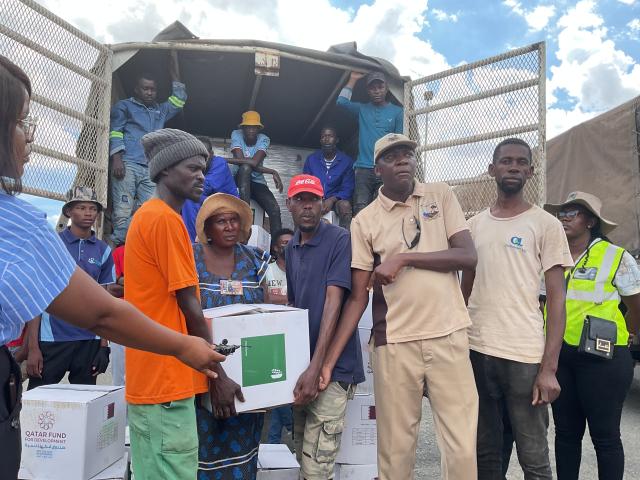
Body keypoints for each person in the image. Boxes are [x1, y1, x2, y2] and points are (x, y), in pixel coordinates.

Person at [0, 55, 223, 479]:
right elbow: (118, 310)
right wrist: (204, 359)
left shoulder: (141, 221)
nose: (29, 138)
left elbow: (109, 296)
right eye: (21, 121)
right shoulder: (163, 221)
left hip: (146, 375)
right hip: (166, 378)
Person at [320, 133, 478, 480]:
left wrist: (404, 258)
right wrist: (328, 360)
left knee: (462, 446)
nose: (403, 160)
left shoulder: (440, 194)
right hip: (395, 343)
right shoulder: (365, 220)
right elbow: (359, 295)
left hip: (448, 335)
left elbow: (468, 256)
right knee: (395, 448)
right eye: (392, 157)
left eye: (407, 153)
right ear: (378, 169)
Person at [460, 138, 573, 480]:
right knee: (485, 454)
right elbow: (463, 291)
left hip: (523, 355)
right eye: (505, 161)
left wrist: (549, 369)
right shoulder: (474, 226)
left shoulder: (545, 225)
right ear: (491, 169)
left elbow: (556, 299)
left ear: (530, 171)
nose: (513, 166)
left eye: (521, 162)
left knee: (533, 456)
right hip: (476, 350)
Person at [124, 128, 223, 480]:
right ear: (165, 170)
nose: (201, 176)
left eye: (203, 169)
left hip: (153, 379)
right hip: (165, 381)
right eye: (192, 168)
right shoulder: (165, 220)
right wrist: (219, 375)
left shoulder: (149, 216)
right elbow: (189, 305)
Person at [543, 191, 640, 480]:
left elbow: (636, 304)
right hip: (560, 356)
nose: (564, 217)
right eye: (561, 213)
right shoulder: (549, 256)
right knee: (566, 434)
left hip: (604, 358)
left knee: (605, 436)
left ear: (590, 221)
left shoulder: (615, 256)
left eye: (573, 213)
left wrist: (630, 335)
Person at [285, 174, 365, 479]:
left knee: (318, 466)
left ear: (323, 205)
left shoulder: (339, 239)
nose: (307, 207)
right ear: (289, 204)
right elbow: (296, 308)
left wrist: (317, 367)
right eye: (301, 200)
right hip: (304, 368)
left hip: (331, 369)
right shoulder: (292, 247)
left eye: (313, 200)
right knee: (303, 454)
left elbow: (334, 301)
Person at [192, 193, 271, 479]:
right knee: (201, 446)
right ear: (208, 228)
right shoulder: (191, 258)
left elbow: (270, 310)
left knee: (243, 447)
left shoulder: (255, 260)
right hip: (201, 371)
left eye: (234, 220)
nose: (229, 227)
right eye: (221, 221)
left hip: (247, 372)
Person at [26, 187, 117, 390]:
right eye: (81, 207)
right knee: (38, 403)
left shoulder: (103, 250)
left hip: (89, 339)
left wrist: (104, 346)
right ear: (68, 212)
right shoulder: (53, 245)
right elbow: (37, 298)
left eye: (92, 208)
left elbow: (106, 300)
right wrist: (33, 347)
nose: (88, 213)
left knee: (85, 405)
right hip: (53, 338)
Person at [108, 50, 186, 245]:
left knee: (147, 211)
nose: (149, 92)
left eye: (152, 89)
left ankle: (134, 247)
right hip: (128, 165)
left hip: (151, 169)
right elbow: (115, 131)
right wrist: (117, 158)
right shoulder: (124, 106)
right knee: (123, 211)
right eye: (145, 89)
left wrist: (174, 67)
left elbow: (179, 98)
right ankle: (116, 254)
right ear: (137, 89)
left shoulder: (160, 111)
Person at [336, 71, 403, 215]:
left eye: (380, 87)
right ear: (368, 90)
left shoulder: (397, 112)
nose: (377, 91)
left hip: (385, 167)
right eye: (373, 88)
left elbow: (399, 142)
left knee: (385, 208)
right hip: (363, 168)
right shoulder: (362, 109)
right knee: (361, 208)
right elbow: (341, 102)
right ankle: (362, 238)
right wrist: (352, 79)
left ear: (386, 88)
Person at [227, 111, 283, 232]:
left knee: (275, 209)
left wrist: (224, 160)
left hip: (257, 181)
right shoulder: (236, 134)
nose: (251, 130)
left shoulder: (264, 139)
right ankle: (245, 216)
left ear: (258, 129)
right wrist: (271, 171)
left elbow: (253, 163)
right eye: (248, 127)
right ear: (242, 128)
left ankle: (277, 247)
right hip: (237, 179)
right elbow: (242, 163)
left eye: (254, 127)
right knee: (245, 168)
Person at [264, 228, 294, 444]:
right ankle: (293, 427)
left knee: (284, 388)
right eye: (283, 242)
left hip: (295, 335)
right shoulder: (267, 270)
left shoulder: (301, 270)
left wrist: (278, 299)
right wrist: (287, 300)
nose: (287, 245)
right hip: (270, 335)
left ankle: (273, 443)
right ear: (275, 247)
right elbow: (263, 300)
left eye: (291, 242)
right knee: (277, 387)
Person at [182, 135, 239, 242]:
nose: (200, 160)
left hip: (227, 205)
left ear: (211, 154)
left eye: (204, 156)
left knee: (190, 199)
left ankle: (192, 244)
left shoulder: (220, 163)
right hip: (210, 203)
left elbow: (204, 187)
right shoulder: (194, 166)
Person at [303, 126, 355, 228]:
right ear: (320, 140)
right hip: (315, 199)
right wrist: (317, 199)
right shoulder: (312, 159)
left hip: (336, 201)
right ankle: (300, 242)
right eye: (323, 136)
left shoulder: (346, 161)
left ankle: (345, 239)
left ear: (336, 140)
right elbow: (306, 183)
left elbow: (348, 188)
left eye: (330, 136)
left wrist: (331, 200)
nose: (326, 139)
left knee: (345, 206)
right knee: (299, 207)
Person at [111, 243, 126, 386]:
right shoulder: (119, 252)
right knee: (120, 380)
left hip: (152, 319)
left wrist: (123, 280)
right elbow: (111, 288)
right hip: (121, 319)